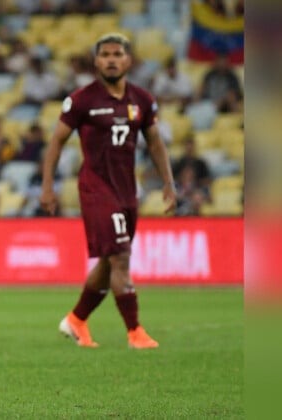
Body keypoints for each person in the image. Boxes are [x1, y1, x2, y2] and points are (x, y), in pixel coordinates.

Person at [40, 33, 177, 349]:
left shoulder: (142, 99)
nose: (112, 59)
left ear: (128, 60)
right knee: (120, 257)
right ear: (96, 60)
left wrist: (169, 182)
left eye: (118, 54)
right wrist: (48, 186)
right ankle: (135, 332)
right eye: (105, 54)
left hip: (128, 191)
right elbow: (56, 142)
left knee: (109, 260)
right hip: (96, 189)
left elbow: (155, 142)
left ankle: (76, 320)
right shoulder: (82, 100)